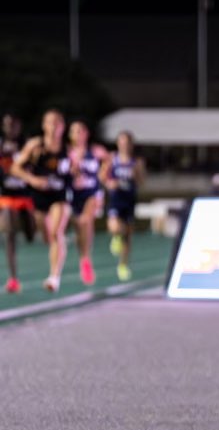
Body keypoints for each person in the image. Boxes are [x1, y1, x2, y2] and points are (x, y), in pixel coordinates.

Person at [11, 109, 72, 292]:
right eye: (50, 122)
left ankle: (54, 277)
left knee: (56, 233)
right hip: (39, 196)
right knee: (46, 235)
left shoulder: (68, 149)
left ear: (62, 126)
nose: (53, 127)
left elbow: (80, 169)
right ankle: (57, 247)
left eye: (57, 123)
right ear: (44, 125)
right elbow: (15, 168)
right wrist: (32, 180)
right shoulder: (35, 145)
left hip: (60, 196)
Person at [67, 120, 109, 285]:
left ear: (86, 133)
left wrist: (103, 173)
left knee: (86, 221)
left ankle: (86, 259)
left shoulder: (95, 151)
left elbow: (109, 159)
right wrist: (71, 169)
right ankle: (83, 259)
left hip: (92, 193)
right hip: (74, 194)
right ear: (70, 135)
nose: (78, 134)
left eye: (80, 130)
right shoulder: (67, 152)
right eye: (74, 131)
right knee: (79, 226)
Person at [100, 130, 145, 282]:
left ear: (131, 144)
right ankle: (115, 237)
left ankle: (123, 265)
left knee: (128, 236)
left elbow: (141, 182)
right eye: (121, 141)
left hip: (129, 200)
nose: (124, 144)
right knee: (114, 226)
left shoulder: (136, 162)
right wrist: (109, 183)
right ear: (118, 143)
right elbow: (102, 176)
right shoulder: (112, 159)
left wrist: (134, 176)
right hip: (116, 199)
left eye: (127, 142)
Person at [0, 112, 36, 293]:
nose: (10, 128)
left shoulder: (27, 145)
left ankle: (28, 227)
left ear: (19, 126)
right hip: (6, 196)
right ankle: (13, 278)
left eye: (13, 124)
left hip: (25, 195)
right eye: (7, 124)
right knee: (8, 235)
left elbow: (37, 165)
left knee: (30, 235)